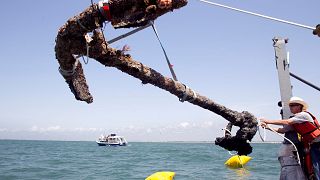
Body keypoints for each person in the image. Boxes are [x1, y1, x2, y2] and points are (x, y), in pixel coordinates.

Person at [260, 97, 320, 180]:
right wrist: (267, 127)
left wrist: (267, 121)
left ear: (300, 106)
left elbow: (287, 121)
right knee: (311, 167)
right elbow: (282, 130)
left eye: (293, 105)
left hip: (318, 145)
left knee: (317, 167)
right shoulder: (296, 121)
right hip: (312, 146)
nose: (290, 107)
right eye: (290, 105)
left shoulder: (303, 115)